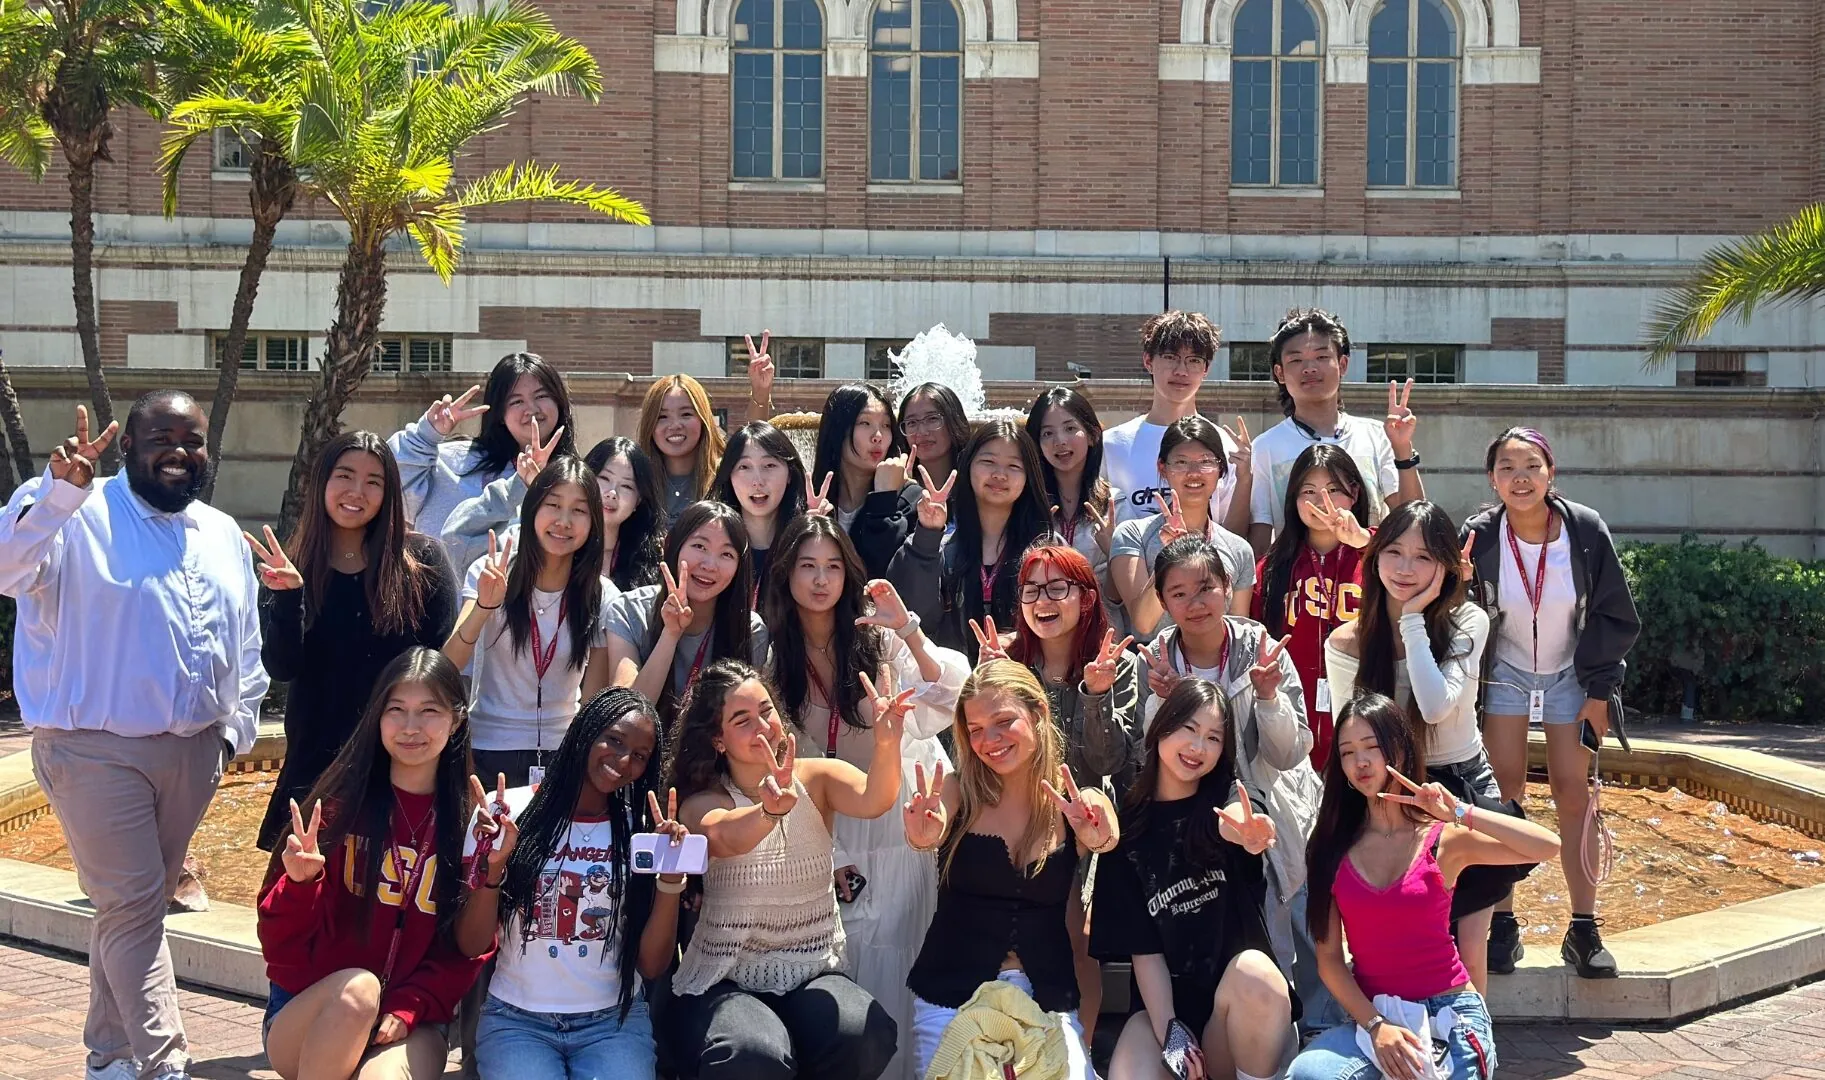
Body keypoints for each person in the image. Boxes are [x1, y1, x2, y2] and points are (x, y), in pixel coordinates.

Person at [1, 396, 267, 1080]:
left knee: (129, 913)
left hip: (193, 753)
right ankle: (162, 1062)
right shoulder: (70, 509)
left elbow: (245, 646)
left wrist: (232, 735)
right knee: (136, 903)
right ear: (129, 446)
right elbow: (6, 570)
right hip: (92, 749)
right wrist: (60, 495)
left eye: (193, 439)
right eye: (160, 437)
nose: (178, 450)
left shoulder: (219, 531)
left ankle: (109, 1056)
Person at [762, 513, 969, 1080]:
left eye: (833, 566)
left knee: (900, 953)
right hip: (821, 826)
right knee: (840, 962)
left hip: (896, 817)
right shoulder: (769, 645)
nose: (821, 579)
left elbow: (947, 698)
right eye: (807, 566)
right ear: (786, 574)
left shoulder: (876, 636)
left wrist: (909, 630)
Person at [1289, 694, 1560, 1080]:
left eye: (1372, 747)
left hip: (1449, 1012)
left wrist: (1463, 813)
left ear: (1398, 749)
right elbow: (1330, 961)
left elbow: (1547, 846)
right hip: (1377, 1018)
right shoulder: (1330, 849)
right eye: (1348, 753)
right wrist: (1375, 1025)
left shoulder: (1442, 840)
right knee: (1308, 1073)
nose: (1360, 762)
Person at [664, 660, 908, 1080]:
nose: (762, 725)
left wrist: (887, 743)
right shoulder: (703, 800)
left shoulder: (815, 777)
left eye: (766, 710)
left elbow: (875, 798)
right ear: (718, 740)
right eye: (742, 720)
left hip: (810, 970)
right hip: (727, 977)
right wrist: (768, 812)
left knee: (864, 1031)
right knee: (753, 1051)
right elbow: (723, 836)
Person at [258, 647, 489, 1080]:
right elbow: (279, 952)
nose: (410, 727)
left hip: (408, 1023)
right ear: (377, 717)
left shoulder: (467, 825)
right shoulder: (337, 810)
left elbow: (466, 952)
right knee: (359, 990)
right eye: (396, 709)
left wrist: (410, 1005)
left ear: (457, 719)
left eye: (429, 711)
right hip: (312, 1016)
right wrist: (301, 885)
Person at [1462, 427, 1641, 979]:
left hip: (1572, 673)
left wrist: (1598, 690)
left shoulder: (1585, 530)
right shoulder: (1480, 533)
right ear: (1492, 479)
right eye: (1508, 467)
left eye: (1532, 466)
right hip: (1506, 672)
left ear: (1550, 473)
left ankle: (1584, 928)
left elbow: (1615, 614)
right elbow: (1453, 602)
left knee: (1573, 792)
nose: (1521, 477)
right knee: (1505, 790)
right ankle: (1503, 922)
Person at [1132, 536, 1326, 1031]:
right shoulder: (1156, 660)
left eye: (1206, 588)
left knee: (1278, 927)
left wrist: (1267, 698)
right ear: (1162, 599)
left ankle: (1287, 1038)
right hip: (1189, 818)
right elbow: (1146, 756)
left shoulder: (1261, 650)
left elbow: (1289, 752)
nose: (1194, 604)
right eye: (1177, 593)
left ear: (1227, 587)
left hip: (1264, 807)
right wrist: (1164, 706)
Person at [457, 686, 692, 1080]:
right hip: (517, 1021)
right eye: (614, 740)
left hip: (612, 1023)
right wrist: (493, 866)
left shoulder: (640, 832)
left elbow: (652, 965)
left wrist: (670, 879)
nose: (622, 760)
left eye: (639, 756)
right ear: (585, 731)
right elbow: (470, 944)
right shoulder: (507, 814)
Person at [902, 660, 1121, 1080]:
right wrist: (922, 834)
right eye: (977, 729)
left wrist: (1095, 832)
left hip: (1046, 999)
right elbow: (929, 830)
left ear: (1037, 713)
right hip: (952, 996)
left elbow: (1105, 833)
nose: (991, 740)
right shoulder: (956, 789)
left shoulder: (1074, 800)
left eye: (1004, 721)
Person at [1323, 500, 1505, 992]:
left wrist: (1414, 620)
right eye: (1394, 552)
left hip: (1458, 784)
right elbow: (1352, 738)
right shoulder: (1346, 642)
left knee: (1469, 936)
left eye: (1423, 557)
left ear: (1447, 565)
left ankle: (1473, 1051)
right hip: (1387, 793)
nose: (1405, 569)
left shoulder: (1468, 621)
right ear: (1374, 556)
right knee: (1389, 936)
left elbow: (1434, 707)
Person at [251, 430, 459, 851]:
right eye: (344, 476)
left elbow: (440, 669)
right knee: (302, 900)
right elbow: (282, 667)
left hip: (397, 759)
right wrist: (290, 598)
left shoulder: (423, 565)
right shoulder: (291, 567)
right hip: (314, 763)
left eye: (373, 481)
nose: (356, 492)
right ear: (322, 483)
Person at [1093, 679, 1296, 1080]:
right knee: (1130, 1068)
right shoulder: (1128, 830)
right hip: (1163, 1013)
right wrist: (1171, 1031)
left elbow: (1240, 816)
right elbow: (1144, 950)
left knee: (1255, 971)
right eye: (1189, 728)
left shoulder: (1228, 798)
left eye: (1213, 737)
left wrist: (1248, 832)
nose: (1198, 747)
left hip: (1234, 1013)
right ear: (1162, 726)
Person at [442, 459, 617, 788]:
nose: (563, 521)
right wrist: (484, 606)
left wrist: (578, 764)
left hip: (563, 752)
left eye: (579, 510)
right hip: (488, 748)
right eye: (553, 505)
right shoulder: (490, 571)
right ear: (533, 508)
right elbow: (449, 663)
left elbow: (595, 694)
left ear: (594, 522)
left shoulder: (601, 593)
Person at [1245, 309, 1423, 554]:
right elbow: (1261, 534)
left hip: (1368, 583)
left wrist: (1403, 449)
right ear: (1280, 373)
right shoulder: (1265, 447)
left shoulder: (1375, 436)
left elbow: (1412, 518)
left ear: (1342, 364)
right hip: (1299, 586)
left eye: (1321, 357)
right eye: (1296, 360)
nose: (1309, 368)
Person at [390, 353, 577, 569]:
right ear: (499, 413)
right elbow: (390, 488)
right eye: (517, 401)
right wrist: (425, 436)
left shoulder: (574, 479)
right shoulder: (454, 461)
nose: (531, 409)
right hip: (441, 598)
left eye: (541, 396)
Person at [888, 419, 1051, 664]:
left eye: (1014, 466)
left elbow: (1064, 624)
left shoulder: (1048, 550)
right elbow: (915, 615)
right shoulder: (937, 544)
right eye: (988, 462)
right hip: (951, 692)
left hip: (1025, 689)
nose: (999, 474)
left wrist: (1020, 641)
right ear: (968, 466)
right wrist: (928, 534)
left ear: (1029, 477)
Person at [1251, 444, 1373, 770]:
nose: (1322, 501)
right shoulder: (1273, 568)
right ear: (1293, 499)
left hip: (1364, 715)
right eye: (1309, 491)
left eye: (1334, 489)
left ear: (1355, 493)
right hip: (1294, 716)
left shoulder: (1380, 555)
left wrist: (1364, 543)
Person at [604, 501, 770, 713]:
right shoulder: (628, 610)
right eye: (699, 546)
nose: (709, 565)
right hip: (642, 744)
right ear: (672, 546)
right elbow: (627, 712)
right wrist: (670, 634)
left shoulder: (751, 630)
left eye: (726, 554)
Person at [1111, 416, 1258, 643]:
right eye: (1181, 462)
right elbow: (1143, 624)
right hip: (1154, 672)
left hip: (1215, 675)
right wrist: (1170, 554)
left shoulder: (1238, 549)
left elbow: (1238, 636)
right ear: (1162, 468)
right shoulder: (1133, 535)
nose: (1194, 472)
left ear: (1220, 469)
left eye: (1206, 461)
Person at [1101, 311, 1244, 531]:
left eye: (1193, 360)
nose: (1181, 371)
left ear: (1206, 369)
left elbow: (1234, 537)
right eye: (1170, 357)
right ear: (1148, 361)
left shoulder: (1228, 447)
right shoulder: (1111, 446)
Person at [1027, 386, 1118, 628]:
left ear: (1092, 435)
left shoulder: (1116, 504)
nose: (1060, 441)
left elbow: (1120, 598)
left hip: (1103, 638)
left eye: (1070, 428)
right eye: (1047, 433)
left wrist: (1114, 552)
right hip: (1043, 637)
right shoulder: (1027, 505)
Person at [811, 382, 922, 579]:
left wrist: (884, 500)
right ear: (838, 430)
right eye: (865, 423)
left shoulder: (909, 498)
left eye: (886, 425)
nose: (878, 436)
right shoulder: (812, 496)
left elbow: (880, 572)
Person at [711, 421, 819, 589]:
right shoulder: (712, 542)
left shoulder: (806, 541)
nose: (758, 481)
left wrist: (816, 539)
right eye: (744, 467)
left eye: (769, 465)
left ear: (790, 474)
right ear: (729, 475)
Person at [585, 436, 667, 592]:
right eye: (604, 478)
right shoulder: (563, 545)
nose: (612, 493)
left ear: (638, 501)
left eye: (626, 486)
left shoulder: (652, 560)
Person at [638, 374, 727, 518]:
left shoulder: (726, 477)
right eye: (662, 417)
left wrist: (760, 394)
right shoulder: (634, 482)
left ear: (703, 419)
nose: (675, 425)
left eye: (686, 414)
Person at [898, 382, 973, 520]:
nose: (922, 431)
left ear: (954, 421)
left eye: (932, 419)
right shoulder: (894, 485)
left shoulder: (975, 483)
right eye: (912, 423)